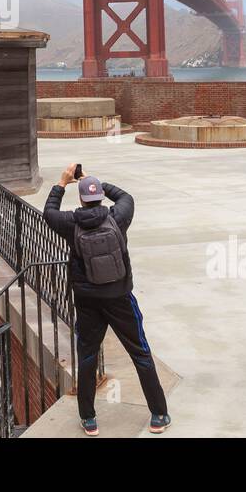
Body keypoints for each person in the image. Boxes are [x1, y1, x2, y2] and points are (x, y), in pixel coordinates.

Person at [42, 162, 170, 436]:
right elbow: (126, 197)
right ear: (99, 196)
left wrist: (62, 183)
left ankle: (89, 419)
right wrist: (92, 179)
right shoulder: (118, 217)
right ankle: (159, 414)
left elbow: (49, 213)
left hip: (88, 301)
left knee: (87, 356)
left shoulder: (70, 223)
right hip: (120, 297)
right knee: (140, 352)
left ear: (81, 198)